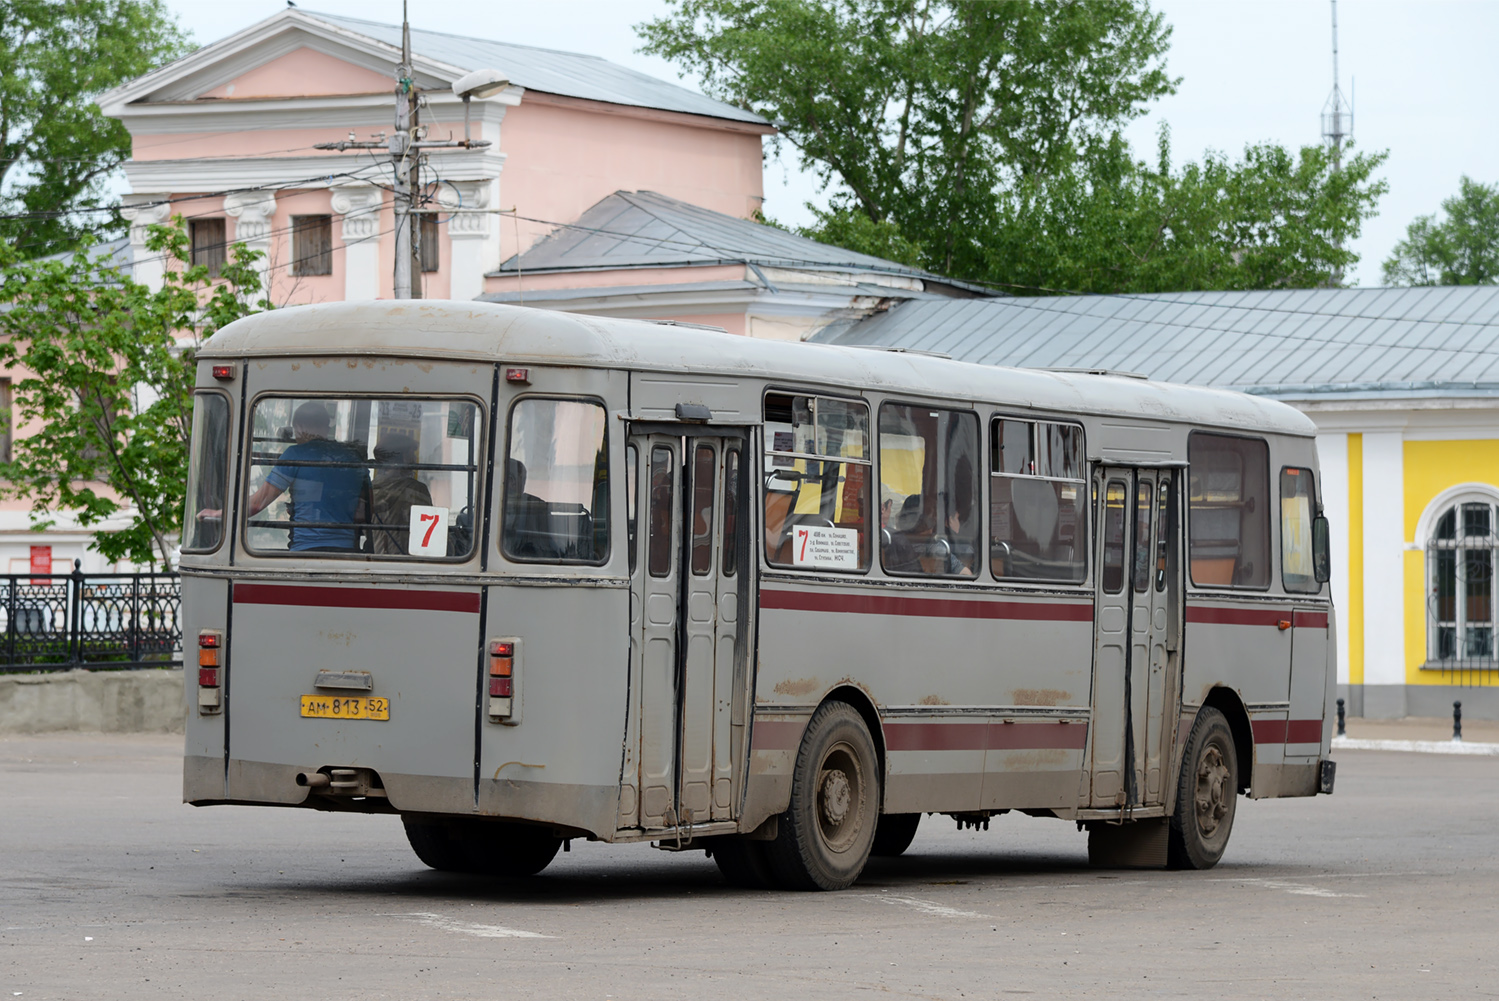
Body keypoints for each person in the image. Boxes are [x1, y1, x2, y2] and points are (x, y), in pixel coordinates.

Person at [242, 401, 368, 552]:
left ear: (299, 427)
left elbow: (257, 503)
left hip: (305, 550)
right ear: (327, 428)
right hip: (346, 550)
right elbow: (366, 510)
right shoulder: (352, 457)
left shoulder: (295, 454)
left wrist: (221, 514)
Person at [370, 432, 432, 555]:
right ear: (404, 457)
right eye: (412, 454)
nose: (415, 459)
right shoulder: (415, 489)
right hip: (406, 560)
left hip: (376, 558)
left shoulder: (370, 489)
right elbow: (427, 535)